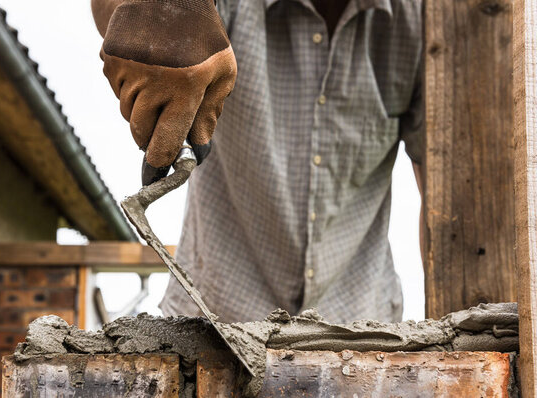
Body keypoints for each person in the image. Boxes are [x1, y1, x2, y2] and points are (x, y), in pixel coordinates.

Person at [91, 0, 423, 324]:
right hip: (215, 327)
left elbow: (450, 202)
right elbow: (114, 7)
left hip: (363, 331)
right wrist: (158, 13)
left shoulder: (421, 21)